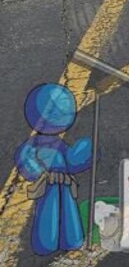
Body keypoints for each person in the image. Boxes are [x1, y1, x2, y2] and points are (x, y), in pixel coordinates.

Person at [15, 83, 93, 256]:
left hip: (64, 184)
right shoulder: (35, 144)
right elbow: (26, 158)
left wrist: (85, 151)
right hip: (49, 184)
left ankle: (71, 239)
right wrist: (39, 173)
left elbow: (71, 161)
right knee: (48, 211)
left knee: (68, 210)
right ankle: (46, 242)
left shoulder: (59, 144)